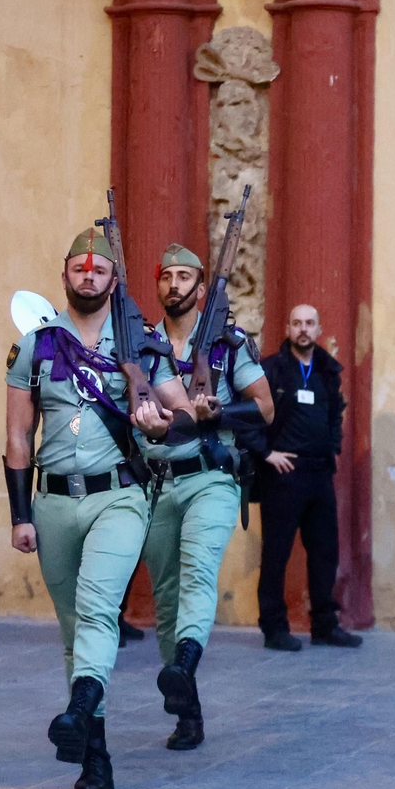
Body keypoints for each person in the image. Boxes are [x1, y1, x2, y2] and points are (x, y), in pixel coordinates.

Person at [3, 227, 178, 789]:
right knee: (75, 629)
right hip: (52, 502)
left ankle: (78, 709)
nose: (88, 276)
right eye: (79, 269)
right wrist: (20, 514)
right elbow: (17, 434)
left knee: (99, 610)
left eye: (98, 270)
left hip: (119, 496)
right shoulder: (36, 345)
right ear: (64, 277)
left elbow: (176, 406)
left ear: (112, 281)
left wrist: (165, 418)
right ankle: (94, 755)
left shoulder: (139, 341)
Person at [142, 244, 274, 750]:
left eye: (184, 277)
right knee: (166, 600)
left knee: (199, 571)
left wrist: (219, 415)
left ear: (201, 288)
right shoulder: (139, 345)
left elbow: (263, 408)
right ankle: (187, 708)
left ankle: (186, 661)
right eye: (166, 276)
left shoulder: (226, 343)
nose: (174, 285)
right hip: (156, 481)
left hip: (211, 475)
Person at [256, 304, 361, 650]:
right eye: (297, 323)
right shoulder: (271, 369)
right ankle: (274, 628)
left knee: (324, 553)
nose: (303, 329)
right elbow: (248, 416)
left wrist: (332, 446)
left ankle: (324, 624)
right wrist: (266, 453)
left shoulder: (327, 370)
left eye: (310, 323)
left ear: (318, 330)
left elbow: (336, 412)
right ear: (288, 328)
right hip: (283, 476)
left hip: (319, 473)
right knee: (276, 554)